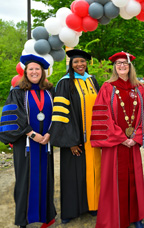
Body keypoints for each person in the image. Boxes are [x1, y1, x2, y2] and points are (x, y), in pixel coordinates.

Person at [90, 51, 144, 228]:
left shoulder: (140, 88)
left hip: (132, 143)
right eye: (118, 64)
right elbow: (102, 114)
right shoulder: (107, 87)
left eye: (125, 63)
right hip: (115, 144)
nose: (121, 66)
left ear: (130, 66)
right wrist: (120, 137)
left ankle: (135, 216)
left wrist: (137, 135)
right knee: (113, 181)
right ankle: (114, 218)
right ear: (115, 67)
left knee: (134, 179)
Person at [0, 54, 56, 228]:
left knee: (47, 177)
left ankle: (47, 216)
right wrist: (31, 134)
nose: (34, 71)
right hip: (26, 145)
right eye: (30, 69)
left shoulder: (50, 91)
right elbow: (15, 116)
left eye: (37, 69)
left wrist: (50, 133)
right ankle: (23, 220)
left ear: (43, 72)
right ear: (25, 72)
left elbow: (58, 114)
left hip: (45, 143)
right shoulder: (17, 92)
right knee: (25, 179)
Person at [50, 49, 101, 224]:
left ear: (87, 63)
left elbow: (102, 107)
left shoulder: (92, 81)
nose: (80, 64)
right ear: (70, 65)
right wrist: (70, 141)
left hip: (93, 140)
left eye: (82, 61)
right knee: (73, 174)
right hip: (74, 140)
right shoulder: (65, 83)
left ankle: (93, 205)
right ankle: (71, 211)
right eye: (76, 62)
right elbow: (62, 114)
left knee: (94, 171)